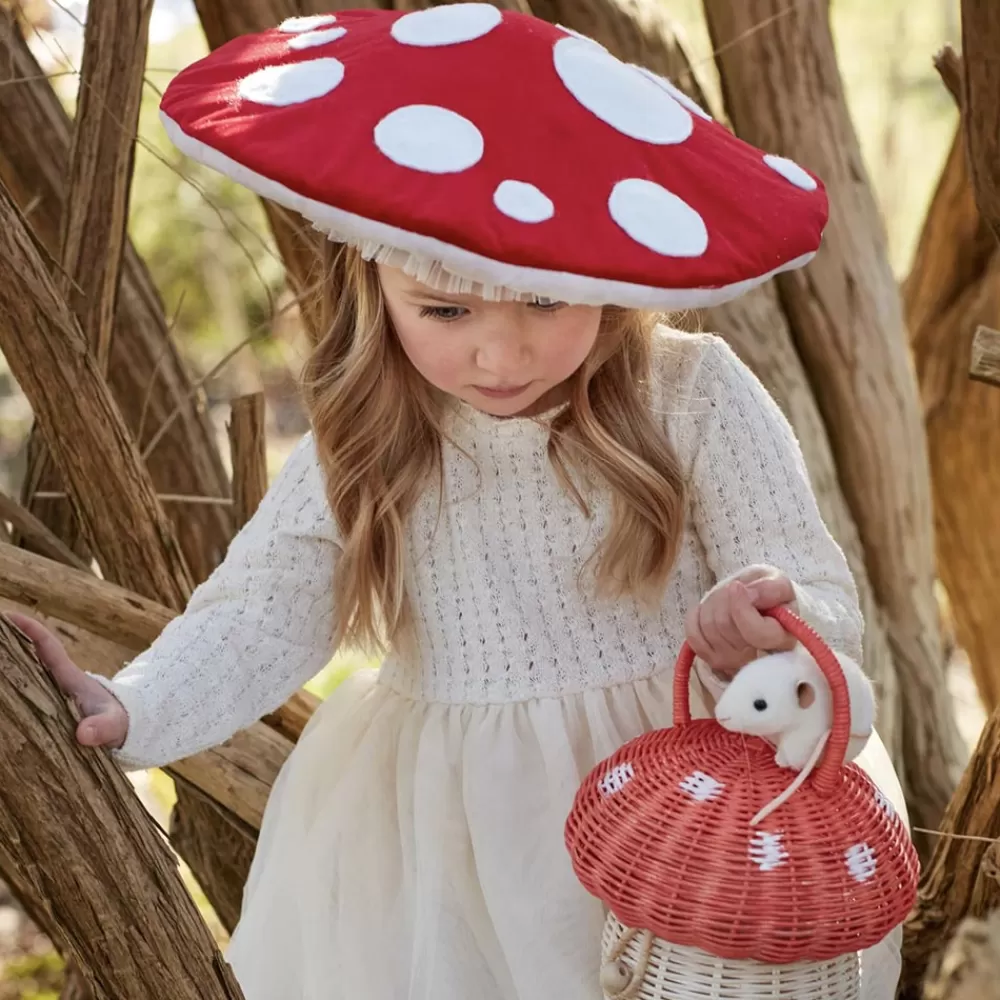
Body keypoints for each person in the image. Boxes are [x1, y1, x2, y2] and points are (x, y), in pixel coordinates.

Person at [8, 7, 908, 998]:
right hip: (448, 850)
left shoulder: (690, 395)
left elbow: (815, 594)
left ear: (610, 273)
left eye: (544, 301)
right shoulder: (369, 435)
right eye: (444, 308)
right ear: (370, 277)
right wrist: (134, 704)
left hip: (678, 817)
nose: (496, 354)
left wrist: (772, 636)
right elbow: (264, 609)